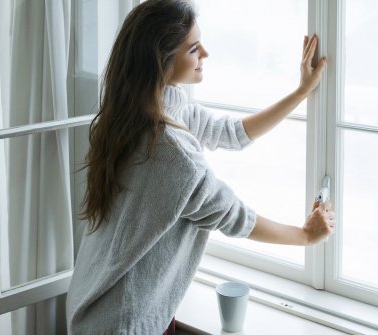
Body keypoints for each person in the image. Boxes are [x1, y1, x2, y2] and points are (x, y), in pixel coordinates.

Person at [66, 0, 334, 333]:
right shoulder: (172, 156)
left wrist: (302, 92)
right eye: (193, 48)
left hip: (94, 304)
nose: (204, 54)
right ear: (160, 61)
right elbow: (235, 217)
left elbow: (232, 133)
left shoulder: (132, 113)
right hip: (125, 321)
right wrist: (306, 236)